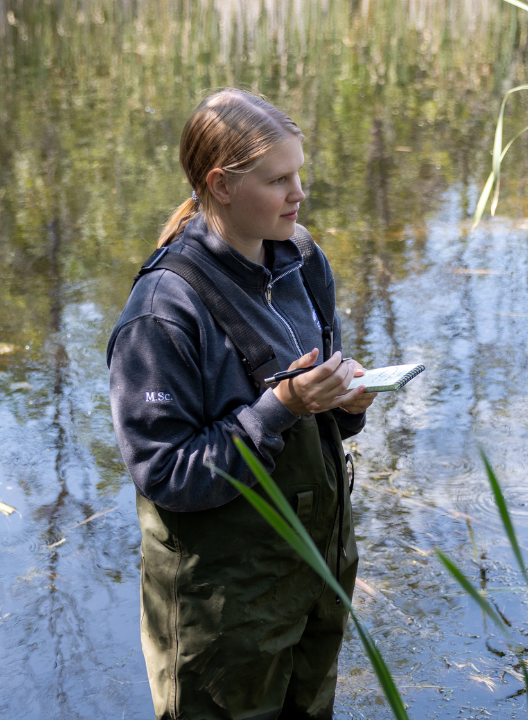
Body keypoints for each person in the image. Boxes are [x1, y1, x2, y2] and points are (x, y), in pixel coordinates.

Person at [107, 88, 375, 720]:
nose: (299, 192)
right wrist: (280, 406)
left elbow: (323, 416)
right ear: (220, 184)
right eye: (278, 178)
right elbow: (167, 474)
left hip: (316, 570)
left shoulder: (302, 260)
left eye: (298, 172)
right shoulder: (161, 314)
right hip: (223, 606)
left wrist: (347, 400)